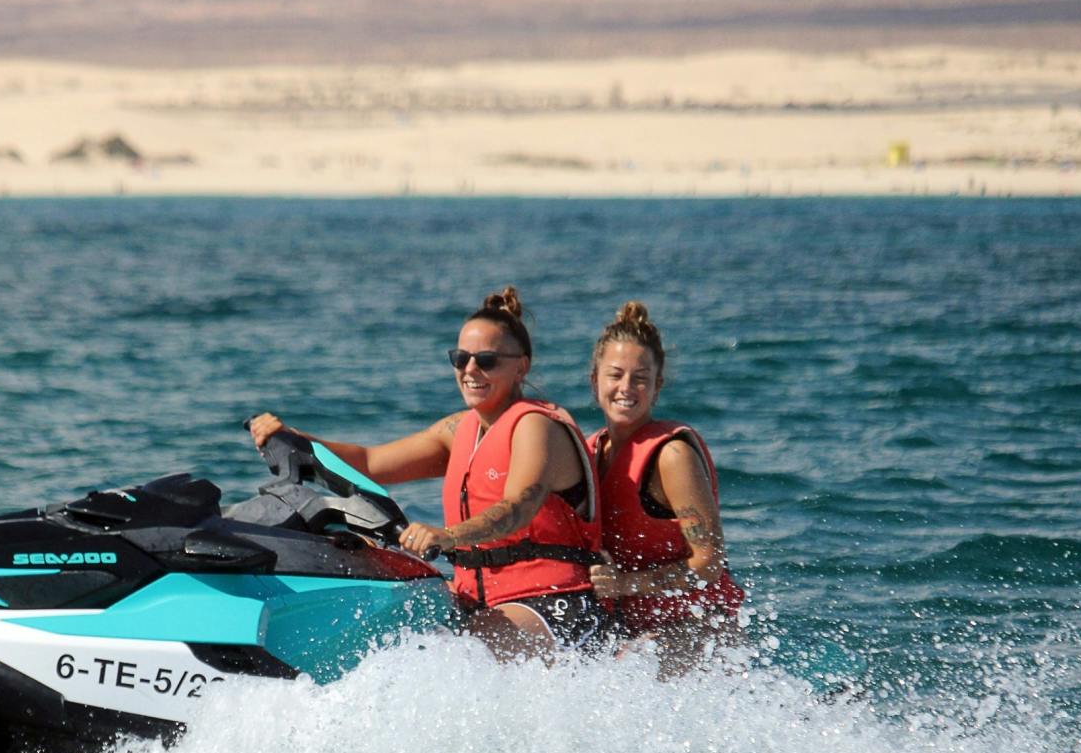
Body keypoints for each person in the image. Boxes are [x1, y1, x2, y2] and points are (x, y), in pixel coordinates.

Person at [248, 285, 603, 659]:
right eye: (460, 358)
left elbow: (517, 509)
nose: (470, 370)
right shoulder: (457, 431)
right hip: (478, 600)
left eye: (487, 360)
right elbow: (369, 462)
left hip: (556, 604)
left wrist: (448, 536)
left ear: (522, 367)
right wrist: (293, 437)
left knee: (459, 655)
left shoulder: (537, 427)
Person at [586, 301, 745, 673]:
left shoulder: (672, 456)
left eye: (640, 378)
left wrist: (624, 584)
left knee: (629, 671)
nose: (626, 388)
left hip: (703, 626)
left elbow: (708, 563)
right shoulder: (590, 452)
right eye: (615, 375)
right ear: (595, 382)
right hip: (631, 629)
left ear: (657, 388)